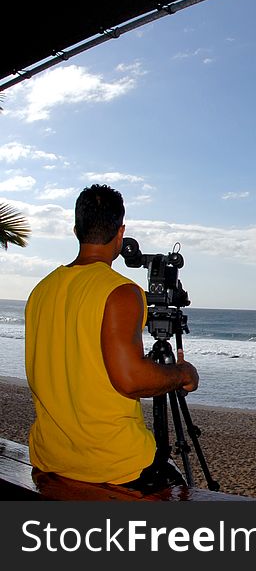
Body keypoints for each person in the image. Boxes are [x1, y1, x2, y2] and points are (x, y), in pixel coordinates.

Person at [25, 184, 199, 492]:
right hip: (113, 464)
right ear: (120, 232)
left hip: (49, 455)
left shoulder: (41, 290)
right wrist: (183, 373)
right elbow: (130, 380)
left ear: (76, 229)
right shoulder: (120, 291)